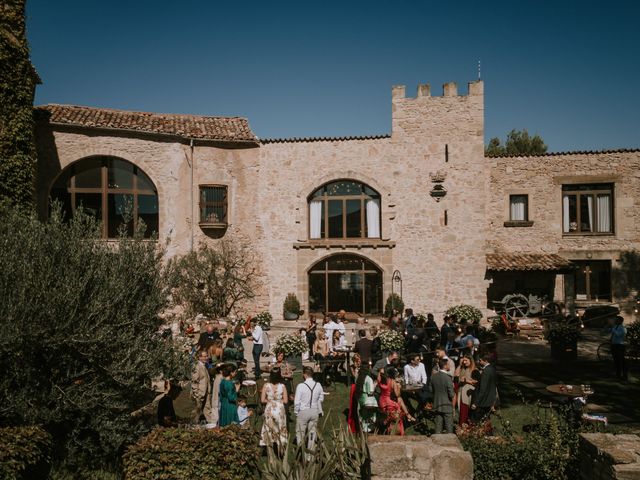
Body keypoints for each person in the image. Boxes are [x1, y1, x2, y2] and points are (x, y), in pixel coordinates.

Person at [294, 366, 324, 455]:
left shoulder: (301, 386)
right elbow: (321, 398)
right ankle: (310, 454)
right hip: (314, 411)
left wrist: (296, 412)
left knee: (300, 432)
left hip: (303, 411)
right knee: (312, 433)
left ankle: (302, 453)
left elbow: (297, 401)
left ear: (304, 375)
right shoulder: (318, 385)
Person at [260, 368, 288, 453]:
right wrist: (278, 401)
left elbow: (262, 400)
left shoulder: (266, 385)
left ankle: (269, 448)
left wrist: (269, 401)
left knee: (269, 428)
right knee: (280, 427)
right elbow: (286, 401)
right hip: (279, 409)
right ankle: (280, 449)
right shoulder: (282, 386)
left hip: (270, 408)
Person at [377, 368, 413, 435]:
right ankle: (396, 431)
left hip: (382, 401)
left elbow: (379, 375)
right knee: (395, 417)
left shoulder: (380, 380)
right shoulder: (392, 381)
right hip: (390, 402)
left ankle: (386, 430)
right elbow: (397, 395)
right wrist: (399, 387)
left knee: (388, 417)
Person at [470, 353, 498, 425]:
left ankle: (478, 434)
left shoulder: (486, 371)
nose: (479, 362)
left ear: (485, 361)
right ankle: (488, 435)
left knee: (477, 421)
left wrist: (475, 403)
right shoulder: (492, 369)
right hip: (489, 400)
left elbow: (483, 389)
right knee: (486, 420)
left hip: (483, 402)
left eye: (480, 360)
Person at [430, 357, 454, 434]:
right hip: (447, 405)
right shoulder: (448, 378)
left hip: (437, 404)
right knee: (449, 428)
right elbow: (451, 394)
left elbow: (431, 390)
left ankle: (437, 443)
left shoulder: (433, 376)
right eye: (449, 365)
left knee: (438, 427)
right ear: (445, 366)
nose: (450, 366)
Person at [455, 356, 477, 425]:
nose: (464, 362)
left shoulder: (474, 370)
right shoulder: (463, 369)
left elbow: (477, 382)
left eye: (466, 360)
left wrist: (466, 380)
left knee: (467, 412)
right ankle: (462, 427)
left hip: (470, 394)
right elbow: (456, 374)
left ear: (471, 361)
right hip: (461, 393)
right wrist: (460, 364)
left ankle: (467, 428)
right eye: (463, 361)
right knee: (462, 412)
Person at [191, 349, 211, 424]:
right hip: (200, 394)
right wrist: (197, 393)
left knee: (207, 409)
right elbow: (194, 381)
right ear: (200, 357)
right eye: (204, 356)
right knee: (197, 412)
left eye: (207, 356)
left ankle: (211, 425)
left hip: (206, 392)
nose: (206, 358)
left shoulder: (204, 365)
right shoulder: (197, 366)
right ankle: (194, 426)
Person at [355, 366, 377, 433]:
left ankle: (363, 428)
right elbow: (371, 391)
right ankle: (369, 429)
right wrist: (375, 385)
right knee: (369, 414)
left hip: (360, 398)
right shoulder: (369, 379)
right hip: (367, 399)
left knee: (363, 414)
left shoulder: (358, 378)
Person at [609, 316, 629, 381]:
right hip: (614, 345)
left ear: (620, 321)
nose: (615, 321)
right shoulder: (615, 327)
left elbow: (618, 334)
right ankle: (618, 375)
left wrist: (613, 328)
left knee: (621, 361)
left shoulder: (623, 329)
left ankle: (624, 376)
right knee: (616, 361)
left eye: (616, 320)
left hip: (620, 346)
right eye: (615, 320)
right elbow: (606, 332)